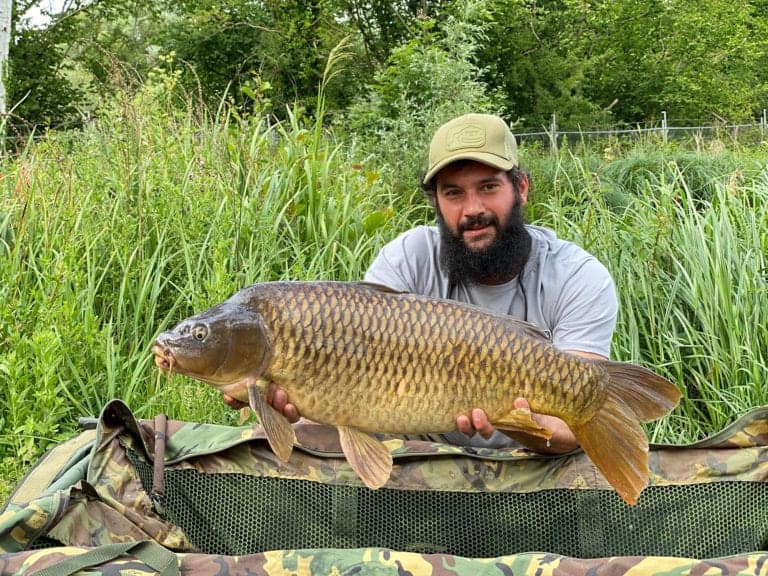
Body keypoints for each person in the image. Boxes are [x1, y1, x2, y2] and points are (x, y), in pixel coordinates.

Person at [226, 113, 618, 455]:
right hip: (421, 455)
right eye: (453, 193)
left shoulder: (577, 277)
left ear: (521, 188)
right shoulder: (406, 258)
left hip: (532, 464)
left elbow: (571, 431)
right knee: (291, 435)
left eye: (488, 187)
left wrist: (510, 417)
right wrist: (293, 399)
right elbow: (350, 373)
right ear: (436, 201)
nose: (473, 210)